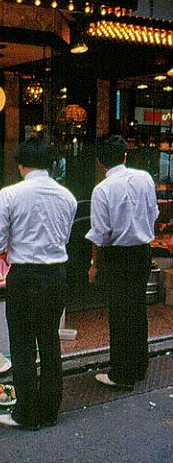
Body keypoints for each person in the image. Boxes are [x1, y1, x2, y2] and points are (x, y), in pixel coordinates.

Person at [0, 136, 77, 430]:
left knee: (22, 345)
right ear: (50, 164)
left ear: (21, 164)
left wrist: (13, 240)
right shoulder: (68, 197)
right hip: (56, 275)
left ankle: (26, 413)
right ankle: (50, 411)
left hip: (24, 276)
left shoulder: (9, 195)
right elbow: (63, 238)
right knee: (49, 341)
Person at [85, 134, 159, 389]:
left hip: (117, 256)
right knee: (137, 309)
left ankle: (121, 374)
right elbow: (154, 213)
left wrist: (94, 265)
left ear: (99, 162)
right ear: (125, 155)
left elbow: (100, 233)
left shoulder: (102, 189)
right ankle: (139, 366)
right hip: (142, 252)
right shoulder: (145, 178)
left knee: (119, 313)